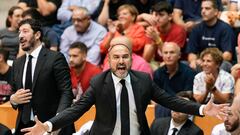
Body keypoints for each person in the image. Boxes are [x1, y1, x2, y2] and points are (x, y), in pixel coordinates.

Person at [21, 36, 228, 135]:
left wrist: (202, 108)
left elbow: (170, 100)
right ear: (109, 61)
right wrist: (48, 126)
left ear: (131, 59)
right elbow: (76, 110)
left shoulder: (144, 80)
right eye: (116, 57)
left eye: (125, 57)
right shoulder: (98, 82)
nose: (121, 61)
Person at [9, 19, 74, 135]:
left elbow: (66, 92)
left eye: (25, 31)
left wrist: (58, 122)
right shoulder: (17, 63)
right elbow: (14, 92)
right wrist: (13, 100)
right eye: (19, 32)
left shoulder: (55, 58)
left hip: (50, 125)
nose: (20, 36)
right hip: (24, 126)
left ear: (37, 34)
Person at [186, 0, 236, 72]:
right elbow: (191, 53)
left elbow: (227, 55)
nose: (203, 11)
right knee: (185, 65)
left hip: (219, 62)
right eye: (202, 8)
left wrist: (209, 61)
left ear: (216, 12)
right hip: (202, 63)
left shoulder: (225, 28)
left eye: (207, 8)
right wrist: (193, 61)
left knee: (223, 65)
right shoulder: (196, 29)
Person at [153, 42, 196, 118]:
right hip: (162, 108)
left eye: (172, 52)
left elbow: (187, 97)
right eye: (165, 53)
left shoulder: (189, 73)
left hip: (182, 108)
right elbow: (154, 96)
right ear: (162, 56)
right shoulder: (158, 73)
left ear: (179, 55)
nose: (168, 56)